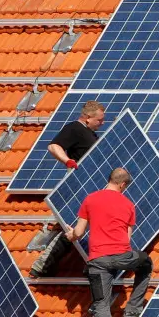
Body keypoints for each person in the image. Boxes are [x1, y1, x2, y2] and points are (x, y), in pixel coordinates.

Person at [73, 168, 152, 317]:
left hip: (98, 261)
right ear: (123, 184)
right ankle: (133, 309)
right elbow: (127, 238)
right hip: (122, 257)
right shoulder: (128, 204)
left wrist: (70, 235)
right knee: (146, 262)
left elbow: (79, 232)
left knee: (101, 305)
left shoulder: (90, 199)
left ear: (109, 179)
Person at [29, 100, 106, 278]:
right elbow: (53, 146)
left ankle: (93, 262)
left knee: (85, 226)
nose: (102, 123)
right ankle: (43, 265)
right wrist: (68, 161)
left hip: (92, 186)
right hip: (81, 186)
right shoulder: (74, 128)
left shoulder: (91, 134)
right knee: (74, 227)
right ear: (87, 118)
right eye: (99, 120)